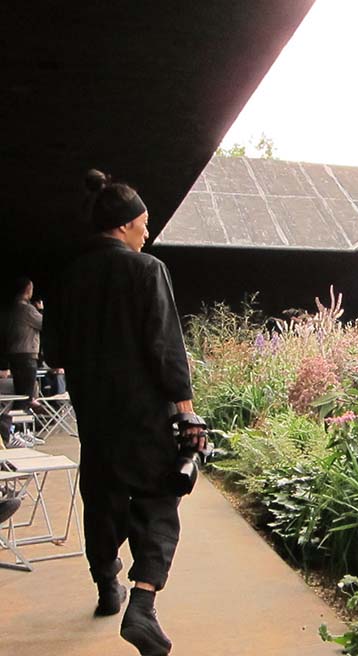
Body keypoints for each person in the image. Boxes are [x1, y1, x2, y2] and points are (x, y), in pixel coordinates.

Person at [44, 169, 205, 656]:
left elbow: (52, 353)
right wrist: (187, 413)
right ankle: (143, 603)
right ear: (123, 226)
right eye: (144, 223)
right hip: (145, 416)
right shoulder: (147, 270)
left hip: (94, 417)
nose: (147, 233)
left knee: (102, 500)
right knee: (159, 502)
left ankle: (105, 587)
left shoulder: (66, 277)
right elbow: (165, 347)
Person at [5, 277, 45, 411]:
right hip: (26, 355)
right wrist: (40, 310)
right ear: (28, 289)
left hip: (14, 355)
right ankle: (20, 427)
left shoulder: (12, 308)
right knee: (26, 397)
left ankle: (15, 426)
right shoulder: (27, 309)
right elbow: (44, 324)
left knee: (20, 394)